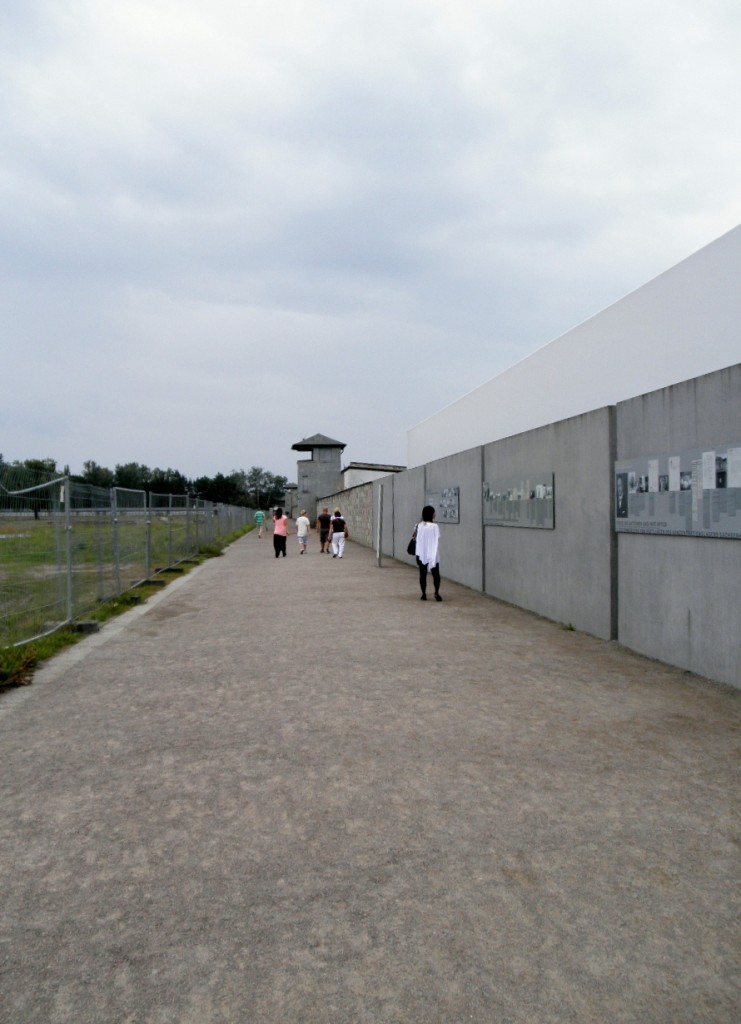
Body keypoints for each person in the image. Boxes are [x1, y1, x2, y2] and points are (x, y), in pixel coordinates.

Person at [415, 505, 442, 601]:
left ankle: (423, 594)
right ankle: (436, 593)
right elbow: (437, 538)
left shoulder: (419, 525)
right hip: (432, 553)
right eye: (434, 512)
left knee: (422, 575)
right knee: (436, 575)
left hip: (421, 553)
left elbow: (415, 537)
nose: (435, 514)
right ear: (431, 514)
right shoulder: (435, 526)